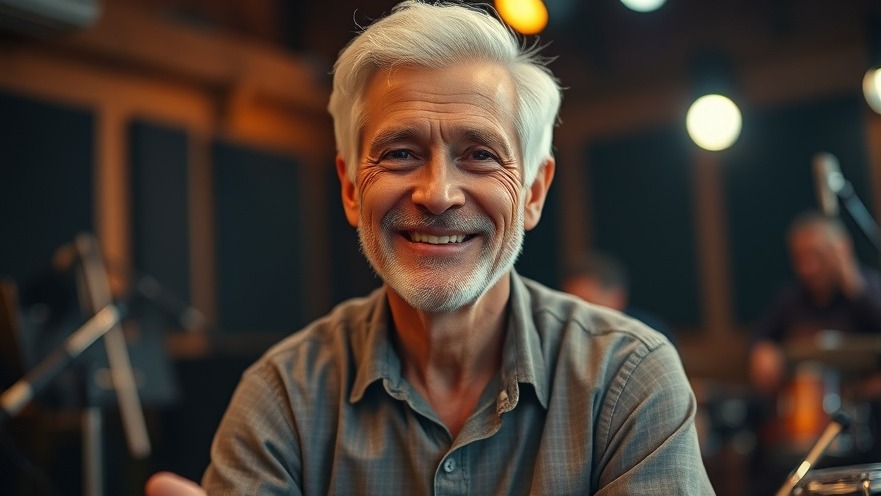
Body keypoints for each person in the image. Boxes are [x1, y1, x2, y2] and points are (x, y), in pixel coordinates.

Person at [147, 2, 714, 494]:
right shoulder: (282, 398)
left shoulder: (627, 379)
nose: (438, 194)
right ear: (350, 189)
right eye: (400, 153)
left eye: (480, 154)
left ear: (535, 192)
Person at [749, 211, 881, 394]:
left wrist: (854, 287)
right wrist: (762, 350)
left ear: (841, 249)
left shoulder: (871, 290)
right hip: (807, 406)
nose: (808, 268)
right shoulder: (790, 299)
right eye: (799, 258)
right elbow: (761, 336)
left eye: (816, 255)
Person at [562, 251, 677, 346]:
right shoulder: (564, 336)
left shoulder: (651, 335)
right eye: (571, 304)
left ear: (617, 298)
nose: (576, 313)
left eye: (588, 304)